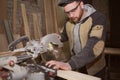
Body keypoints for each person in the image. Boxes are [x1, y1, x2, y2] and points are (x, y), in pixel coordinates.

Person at [46, 0, 106, 79]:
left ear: (81, 4)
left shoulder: (98, 18)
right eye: (67, 12)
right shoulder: (68, 21)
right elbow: (66, 34)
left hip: (93, 68)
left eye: (73, 10)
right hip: (78, 65)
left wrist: (69, 64)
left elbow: (95, 46)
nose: (71, 15)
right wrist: (60, 37)